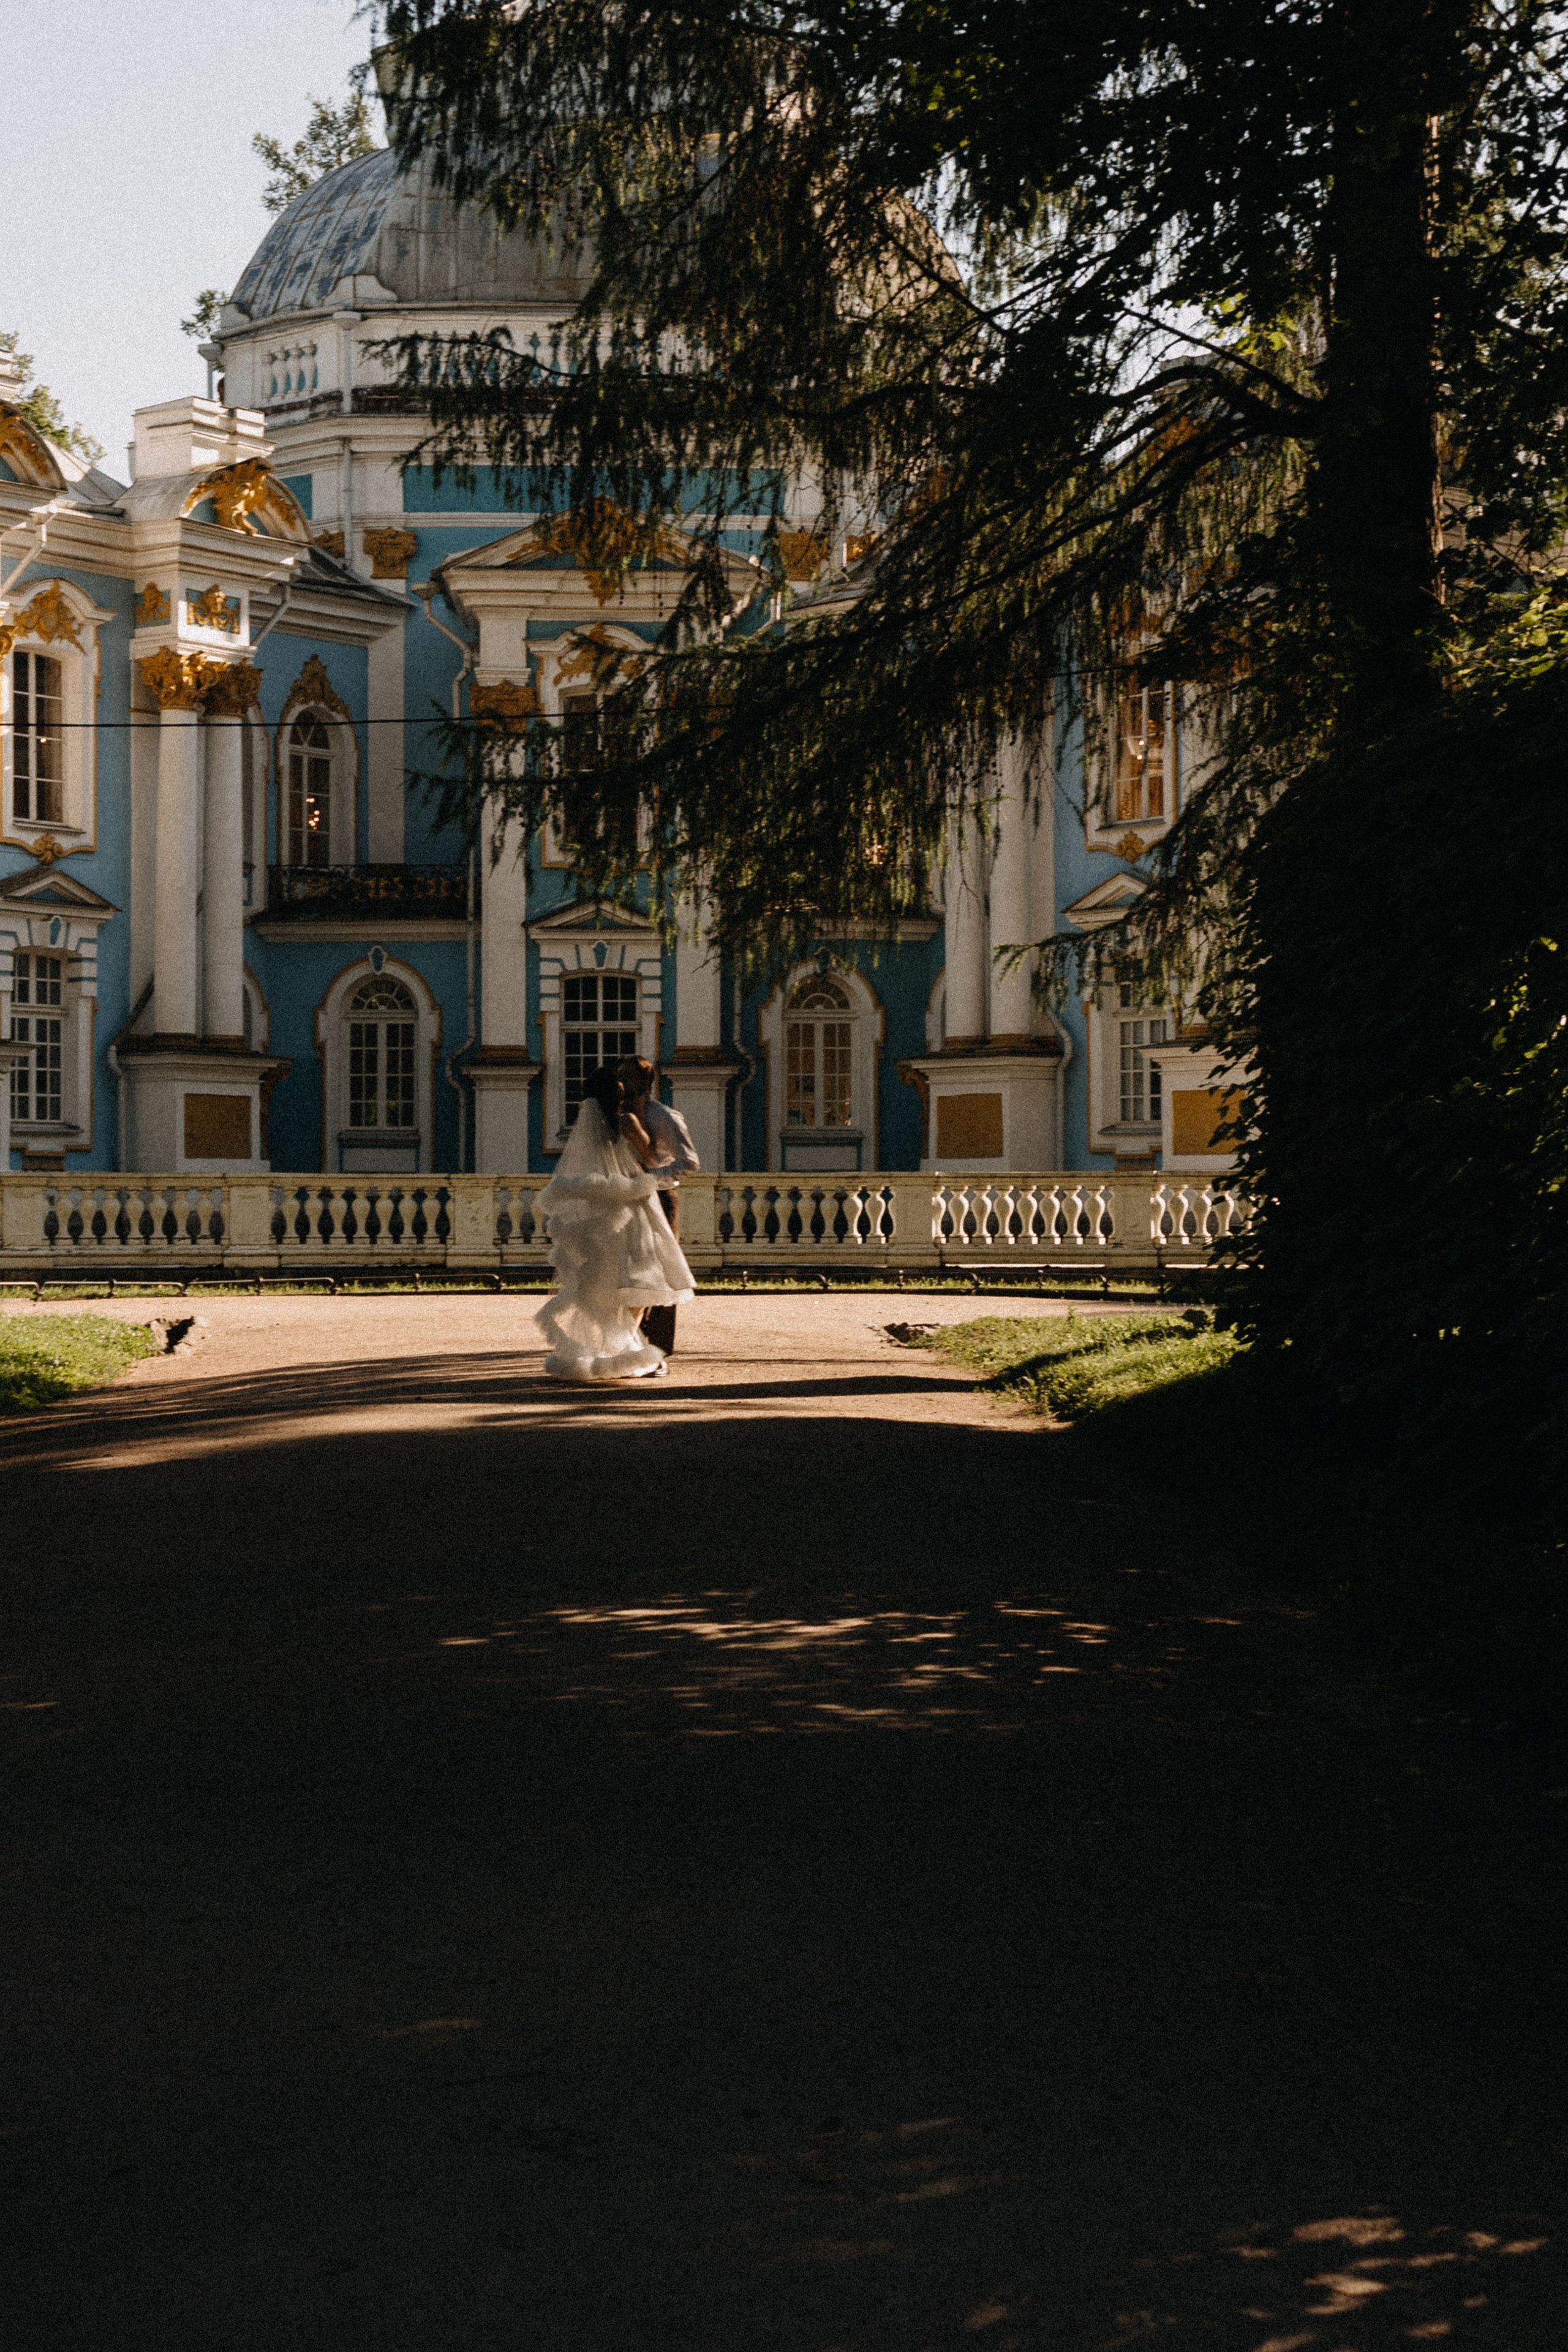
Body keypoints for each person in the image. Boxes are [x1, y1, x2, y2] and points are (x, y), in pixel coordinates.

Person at [535, 1065, 695, 1381]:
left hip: (602, 1210)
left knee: (609, 1279)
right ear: (618, 1093)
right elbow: (650, 1159)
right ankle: (631, 1349)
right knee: (644, 1277)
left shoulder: (587, 1124)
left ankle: (612, 1347)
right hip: (632, 1206)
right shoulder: (628, 1121)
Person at [616, 1057, 699, 1356]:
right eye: (618, 1075)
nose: (620, 1081)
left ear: (644, 1082)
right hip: (626, 1201)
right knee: (629, 1271)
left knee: (663, 1271)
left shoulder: (663, 1116)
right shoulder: (617, 1116)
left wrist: (649, 1178)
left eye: (626, 1076)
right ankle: (631, 1341)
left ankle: (660, 1347)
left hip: (661, 1198)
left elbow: (689, 1162)